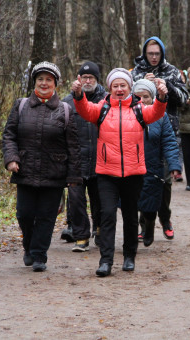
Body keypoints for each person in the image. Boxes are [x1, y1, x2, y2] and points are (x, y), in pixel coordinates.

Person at [71, 68, 168, 277]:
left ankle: (129, 256)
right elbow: (85, 110)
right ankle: (106, 261)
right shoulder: (103, 108)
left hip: (133, 173)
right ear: (110, 88)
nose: (119, 89)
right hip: (106, 172)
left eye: (123, 85)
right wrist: (78, 95)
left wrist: (161, 96)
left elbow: (157, 112)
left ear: (130, 87)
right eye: (115, 86)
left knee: (131, 216)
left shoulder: (140, 109)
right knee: (107, 215)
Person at [3, 61, 82, 272]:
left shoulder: (65, 110)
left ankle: (39, 255)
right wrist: (11, 158)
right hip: (25, 169)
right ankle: (28, 247)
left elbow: (73, 146)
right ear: (34, 82)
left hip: (54, 172)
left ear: (55, 83)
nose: (44, 83)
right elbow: (9, 135)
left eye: (48, 79)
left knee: (46, 216)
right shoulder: (20, 106)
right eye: (40, 79)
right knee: (24, 214)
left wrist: (74, 177)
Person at [131, 36, 188, 239]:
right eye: (150, 54)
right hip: (140, 129)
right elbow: (127, 98)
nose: (154, 57)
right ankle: (144, 224)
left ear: (162, 53)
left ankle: (165, 217)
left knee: (164, 181)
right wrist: (143, 86)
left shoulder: (172, 71)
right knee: (142, 180)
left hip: (167, 129)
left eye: (157, 54)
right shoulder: (136, 71)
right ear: (145, 54)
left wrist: (166, 87)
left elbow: (183, 99)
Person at [61, 61, 107, 251]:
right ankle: (81, 237)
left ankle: (100, 229)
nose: (88, 81)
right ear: (78, 78)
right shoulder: (66, 102)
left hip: (100, 159)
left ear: (97, 79)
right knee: (76, 200)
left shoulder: (107, 100)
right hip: (75, 159)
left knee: (100, 200)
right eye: (84, 77)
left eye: (92, 78)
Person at [132, 79, 181, 246]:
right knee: (133, 202)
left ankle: (150, 225)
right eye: (138, 96)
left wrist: (174, 165)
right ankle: (138, 230)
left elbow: (169, 141)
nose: (142, 100)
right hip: (131, 166)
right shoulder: (126, 114)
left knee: (151, 203)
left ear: (152, 97)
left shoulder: (161, 116)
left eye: (146, 96)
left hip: (153, 166)